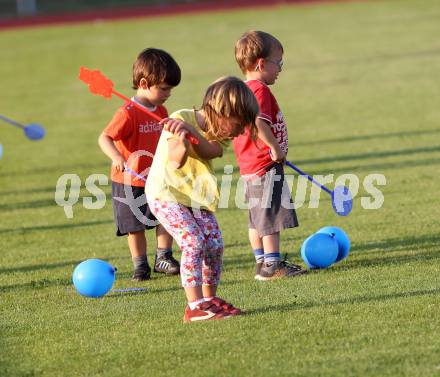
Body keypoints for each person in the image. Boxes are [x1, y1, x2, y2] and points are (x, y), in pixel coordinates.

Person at [145, 76, 259, 322]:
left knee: (215, 244)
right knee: (194, 242)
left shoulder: (220, 132)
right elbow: (175, 162)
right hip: (166, 194)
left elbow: (212, 151)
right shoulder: (178, 119)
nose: (242, 131)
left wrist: (193, 134)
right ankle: (194, 306)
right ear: (223, 111)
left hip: (195, 197)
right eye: (239, 123)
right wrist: (184, 141)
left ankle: (208, 300)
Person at [98, 48, 180, 281]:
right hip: (129, 179)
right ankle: (140, 265)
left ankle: (164, 257)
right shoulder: (127, 113)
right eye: (164, 88)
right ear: (144, 83)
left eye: (170, 89)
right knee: (134, 226)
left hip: (157, 177)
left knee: (167, 216)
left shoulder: (161, 110)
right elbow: (104, 138)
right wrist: (116, 157)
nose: (169, 93)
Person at [233, 30, 307, 281]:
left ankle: (262, 261)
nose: (281, 69)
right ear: (262, 63)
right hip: (264, 165)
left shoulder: (242, 90)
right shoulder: (259, 91)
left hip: (249, 166)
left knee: (257, 219)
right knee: (272, 217)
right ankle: (272, 266)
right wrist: (275, 147)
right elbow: (257, 122)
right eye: (279, 63)